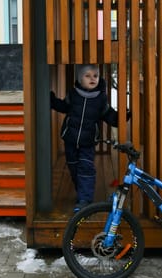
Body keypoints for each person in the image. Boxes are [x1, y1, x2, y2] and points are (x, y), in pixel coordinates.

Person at [50, 64, 118, 212]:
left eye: (95, 75)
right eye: (87, 76)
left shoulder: (100, 98)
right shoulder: (73, 94)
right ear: (80, 80)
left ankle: (85, 199)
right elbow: (64, 106)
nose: (92, 78)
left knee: (86, 168)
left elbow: (108, 114)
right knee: (73, 166)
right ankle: (82, 191)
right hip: (70, 138)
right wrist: (52, 101)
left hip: (88, 141)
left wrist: (119, 118)